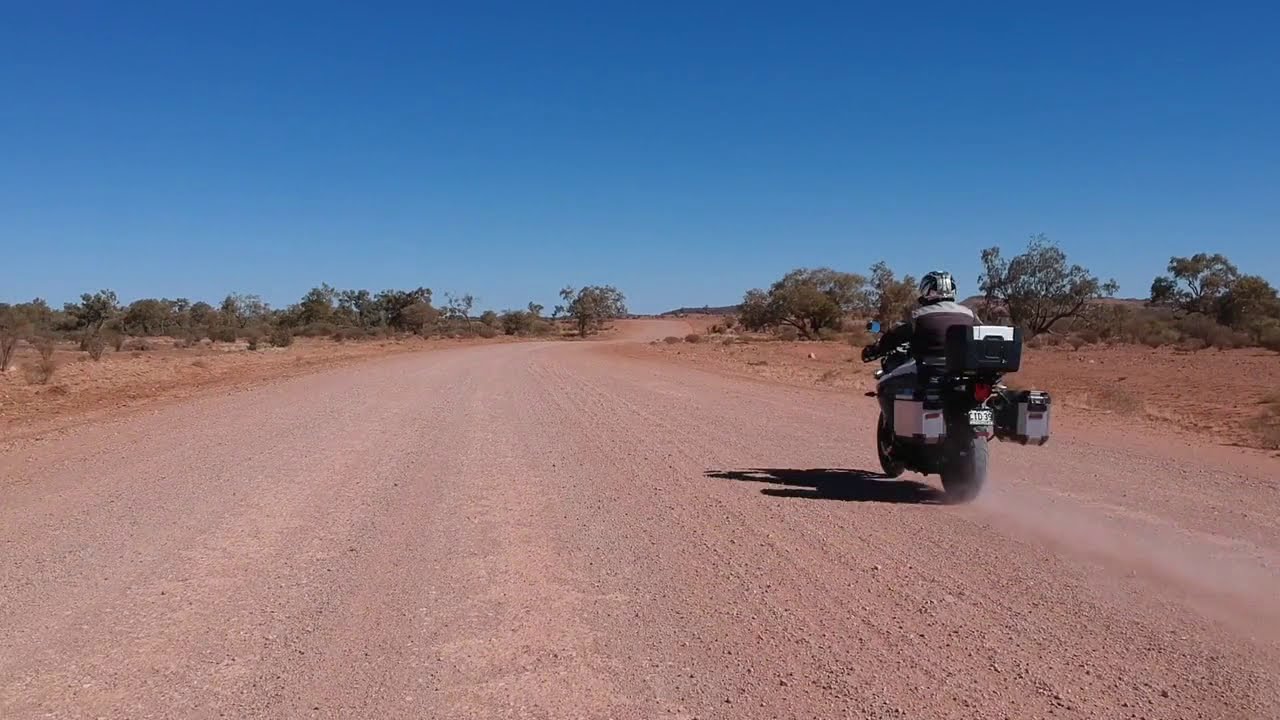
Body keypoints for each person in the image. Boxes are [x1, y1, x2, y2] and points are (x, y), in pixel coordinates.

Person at [862, 270, 978, 365]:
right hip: (962, 372)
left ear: (926, 289)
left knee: (888, 383)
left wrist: (874, 350)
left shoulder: (918, 315)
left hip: (925, 370)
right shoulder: (969, 314)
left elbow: (894, 336)